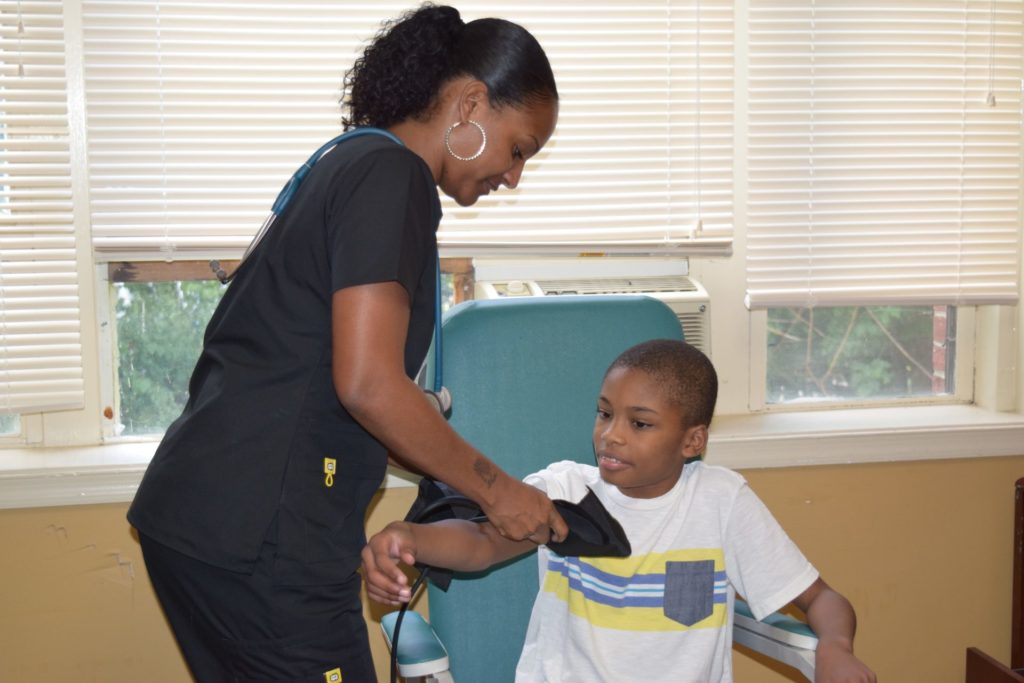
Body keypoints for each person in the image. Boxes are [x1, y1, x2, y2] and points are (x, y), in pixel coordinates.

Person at [127, 4, 567, 681]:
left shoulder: (352, 163)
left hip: (214, 513)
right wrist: (498, 490)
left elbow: (333, 380)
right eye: (519, 149)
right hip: (260, 534)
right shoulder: (392, 178)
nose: (513, 176)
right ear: (471, 103)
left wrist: (449, 502)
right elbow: (367, 386)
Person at [363, 339, 877, 683]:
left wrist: (835, 645)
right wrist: (409, 537)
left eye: (640, 424)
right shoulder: (565, 492)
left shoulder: (721, 502)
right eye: (605, 414)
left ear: (692, 440)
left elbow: (822, 599)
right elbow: (479, 543)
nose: (611, 434)